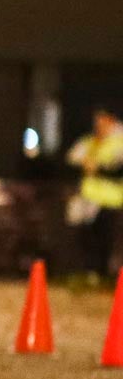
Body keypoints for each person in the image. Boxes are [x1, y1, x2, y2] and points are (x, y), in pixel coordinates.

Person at [66, 108, 123, 281]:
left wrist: (97, 168)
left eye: (102, 120)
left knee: (107, 241)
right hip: (89, 199)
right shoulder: (90, 141)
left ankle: (108, 276)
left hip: (112, 200)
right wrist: (84, 163)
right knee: (87, 238)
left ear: (112, 120)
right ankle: (91, 274)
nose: (98, 124)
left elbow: (118, 169)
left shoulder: (119, 142)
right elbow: (71, 159)